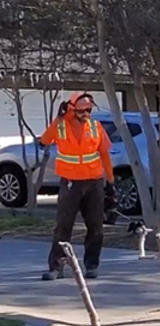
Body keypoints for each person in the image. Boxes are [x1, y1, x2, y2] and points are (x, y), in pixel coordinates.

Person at [39, 92, 115, 280]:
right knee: (63, 226)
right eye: (82, 110)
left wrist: (111, 183)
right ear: (72, 109)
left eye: (89, 110)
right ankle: (56, 267)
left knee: (96, 226)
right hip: (71, 183)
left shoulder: (96, 127)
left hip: (94, 183)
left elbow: (105, 156)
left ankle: (92, 265)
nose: (86, 114)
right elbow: (44, 141)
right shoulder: (61, 126)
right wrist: (58, 118)